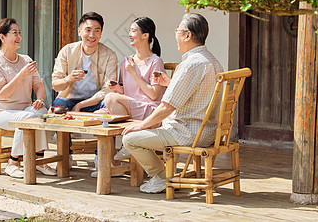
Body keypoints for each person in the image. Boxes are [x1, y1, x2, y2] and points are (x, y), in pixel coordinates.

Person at [121, 13, 224, 194]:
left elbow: (167, 106)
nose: (175, 34)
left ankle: (161, 176)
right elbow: (198, 92)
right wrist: (170, 83)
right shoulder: (212, 61)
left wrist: (142, 125)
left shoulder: (191, 64)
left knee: (130, 139)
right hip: (208, 132)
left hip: (187, 133)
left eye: (177, 30)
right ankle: (163, 174)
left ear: (187, 35)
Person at [91, 17, 166, 177]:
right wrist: (117, 87)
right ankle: (114, 163)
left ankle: (127, 144)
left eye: (133, 30)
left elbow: (153, 95)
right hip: (132, 108)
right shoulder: (127, 61)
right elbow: (127, 93)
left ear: (145, 35)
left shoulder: (155, 61)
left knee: (110, 99)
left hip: (150, 111)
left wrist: (134, 73)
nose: (130, 34)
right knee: (99, 116)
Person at [0, 18, 56, 179]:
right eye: (14, 33)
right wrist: (21, 74)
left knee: (41, 112)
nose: (19, 36)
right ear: (2, 37)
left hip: (23, 110)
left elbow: (39, 85)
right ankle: (12, 163)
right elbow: (3, 94)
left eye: (19, 33)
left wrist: (39, 99)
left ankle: (38, 160)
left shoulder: (26, 59)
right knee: (28, 117)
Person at [52, 11, 118, 163]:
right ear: (80, 31)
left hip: (95, 102)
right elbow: (55, 84)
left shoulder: (109, 55)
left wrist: (82, 105)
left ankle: (100, 156)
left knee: (111, 104)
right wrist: (69, 79)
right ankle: (65, 154)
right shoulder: (67, 51)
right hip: (69, 100)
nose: (92, 35)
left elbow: (109, 88)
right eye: (88, 30)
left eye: (97, 30)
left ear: (101, 34)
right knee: (58, 106)